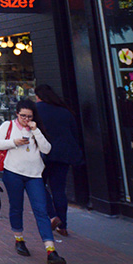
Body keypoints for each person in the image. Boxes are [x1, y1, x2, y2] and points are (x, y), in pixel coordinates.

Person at [0, 99, 66, 264]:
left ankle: (51, 250)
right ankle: (19, 239)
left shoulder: (35, 129)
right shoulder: (8, 125)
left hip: (35, 174)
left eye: (29, 116)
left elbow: (47, 149)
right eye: (23, 116)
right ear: (17, 114)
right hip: (13, 172)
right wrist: (14, 142)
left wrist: (36, 131)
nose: (26, 119)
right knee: (16, 207)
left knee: (41, 210)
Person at [35, 85, 82, 237]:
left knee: (38, 185)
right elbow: (74, 133)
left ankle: (53, 216)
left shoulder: (36, 110)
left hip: (43, 154)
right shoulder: (65, 111)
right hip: (63, 154)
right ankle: (63, 225)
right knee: (59, 189)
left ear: (38, 96)